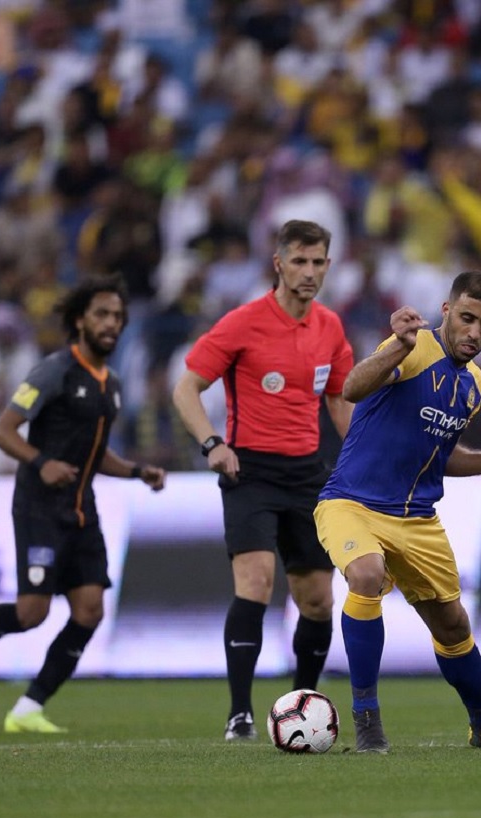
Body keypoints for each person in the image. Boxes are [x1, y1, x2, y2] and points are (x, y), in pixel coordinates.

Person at [0, 275, 167, 732]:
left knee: (89, 609)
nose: (111, 324)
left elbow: (95, 452)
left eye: (118, 317)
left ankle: (28, 708)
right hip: (40, 510)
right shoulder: (54, 371)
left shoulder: (113, 386)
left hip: (82, 512)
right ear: (79, 320)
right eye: (102, 315)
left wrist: (136, 471)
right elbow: (3, 431)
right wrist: (42, 461)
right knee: (32, 613)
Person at [314, 270, 481, 753]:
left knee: (453, 625)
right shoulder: (414, 348)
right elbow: (353, 389)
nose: (475, 333)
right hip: (351, 502)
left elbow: (440, 455)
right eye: (467, 319)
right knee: (366, 574)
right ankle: (367, 721)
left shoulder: (474, 385)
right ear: (446, 311)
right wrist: (397, 345)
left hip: (417, 519)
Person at [172, 220, 355, 742]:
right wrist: (213, 444)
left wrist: (359, 457)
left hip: (307, 474)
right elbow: (187, 389)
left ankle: (302, 703)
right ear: (278, 264)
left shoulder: (330, 327)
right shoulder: (242, 323)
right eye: (299, 261)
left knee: (318, 599)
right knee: (255, 583)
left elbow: (339, 399)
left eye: (318, 262)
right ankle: (239, 713)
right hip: (248, 470)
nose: (310, 272)